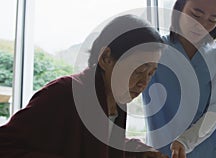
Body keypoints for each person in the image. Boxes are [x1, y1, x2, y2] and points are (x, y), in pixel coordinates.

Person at [0, 14, 168, 158]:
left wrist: (138, 152)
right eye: (138, 70)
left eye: (151, 74)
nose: (143, 83)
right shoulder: (64, 93)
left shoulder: (116, 102)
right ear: (106, 58)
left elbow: (100, 145)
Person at [142, 0, 216, 158]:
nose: (202, 24)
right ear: (179, 9)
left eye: (212, 19)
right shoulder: (153, 50)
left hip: (212, 152)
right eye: (196, 14)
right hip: (161, 152)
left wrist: (185, 141)